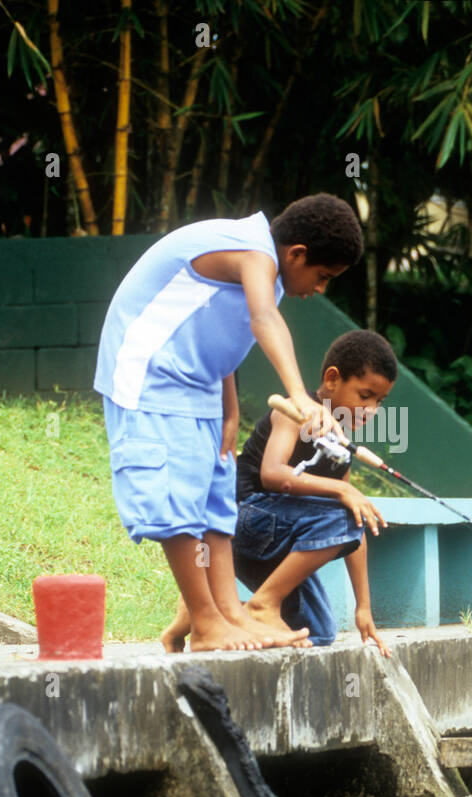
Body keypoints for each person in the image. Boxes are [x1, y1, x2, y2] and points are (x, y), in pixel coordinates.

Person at [94, 194, 362, 651]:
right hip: (149, 376)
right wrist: (299, 393)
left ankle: (230, 615)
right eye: (322, 277)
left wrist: (231, 409)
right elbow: (261, 319)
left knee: (216, 504)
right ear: (297, 254)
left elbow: (218, 337)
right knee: (176, 499)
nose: (319, 289)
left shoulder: (267, 270)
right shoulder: (252, 249)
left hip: (199, 385)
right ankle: (204, 622)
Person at [162, 330, 396, 657]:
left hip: (274, 544)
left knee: (318, 632)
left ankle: (205, 612)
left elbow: (352, 524)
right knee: (343, 507)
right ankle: (264, 605)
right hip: (237, 524)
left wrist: (364, 607)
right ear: (332, 379)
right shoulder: (292, 411)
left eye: (379, 402)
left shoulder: (340, 445)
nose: (371, 410)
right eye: (365, 395)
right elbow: (272, 475)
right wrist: (343, 489)